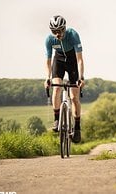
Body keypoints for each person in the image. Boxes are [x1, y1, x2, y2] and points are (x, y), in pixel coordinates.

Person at [44, 15, 85, 143]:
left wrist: (81, 77)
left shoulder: (73, 35)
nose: (57, 34)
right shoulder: (49, 40)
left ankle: (77, 128)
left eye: (60, 30)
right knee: (56, 89)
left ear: (65, 28)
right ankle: (57, 119)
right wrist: (47, 78)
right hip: (59, 61)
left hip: (72, 61)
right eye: (54, 31)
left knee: (74, 97)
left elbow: (80, 59)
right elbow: (48, 61)